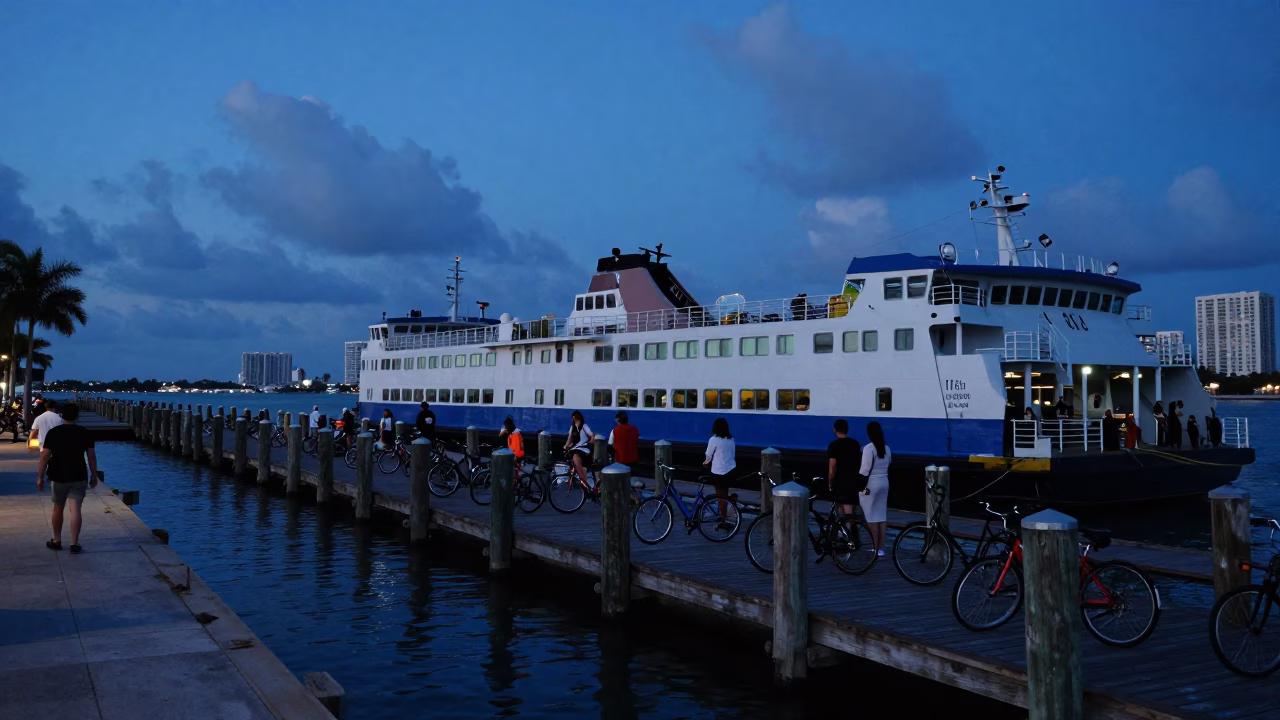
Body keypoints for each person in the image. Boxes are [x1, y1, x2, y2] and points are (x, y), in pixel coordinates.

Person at [36, 403, 98, 554]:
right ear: (77, 416)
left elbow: (44, 456)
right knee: (75, 509)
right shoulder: (85, 432)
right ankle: (74, 543)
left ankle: (57, 540)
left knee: (58, 507)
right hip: (78, 474)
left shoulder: (53, 433)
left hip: (58, 474)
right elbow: (91, 456)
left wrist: (40, 476)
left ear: (62, 415)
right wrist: (94, 474)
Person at [859, 421, 891, 556]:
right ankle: (881, 548)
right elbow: (889, 463)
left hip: (871, 484)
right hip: (885, 482)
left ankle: (874, 547)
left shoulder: (868, 448)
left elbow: (865, 469)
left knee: (871, 517)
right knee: (881, 516)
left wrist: (859, 484)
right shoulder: (887, 448)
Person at [826, 419, 861, 521]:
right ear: (847, 430)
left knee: (845, 510)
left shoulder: (833, 445)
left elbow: (832, 467)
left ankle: (849, 534)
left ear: (834, 430)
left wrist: (829, 483)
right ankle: (850, 531)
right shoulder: (855, 444)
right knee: (850, 507)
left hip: (841, 481)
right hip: (854, 479)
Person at [703, 417, 736, 523]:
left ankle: (723, 519)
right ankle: (730, 502)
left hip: (718, 471)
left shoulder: (714, 439)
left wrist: (705, 463)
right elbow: (733, 455)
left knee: (720, 496)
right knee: (724, 493)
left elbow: (708, 455)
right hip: (730, 470)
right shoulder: (731, 439)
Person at [563, 411, 595, 490]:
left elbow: (592, 436)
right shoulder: (572, 427)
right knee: (572, 457)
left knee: (576, 457)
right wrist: (566, 446)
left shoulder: (584, 426)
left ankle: (583, 478)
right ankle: (579, 477)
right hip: (575, 448)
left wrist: (591, 441)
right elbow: (570, 438)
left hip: (583, 448)